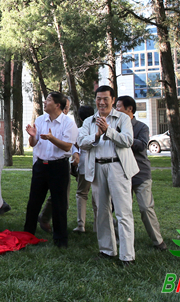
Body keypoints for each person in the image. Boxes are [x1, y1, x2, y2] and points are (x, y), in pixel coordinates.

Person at [78, 85, 138, 266]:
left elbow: (128, 141)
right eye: (98, 99)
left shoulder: (122, 119)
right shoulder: (89, 121)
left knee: (123, 212)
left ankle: (127, 256)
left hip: (117, 167)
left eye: (105, 99)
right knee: (102, 211)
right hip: (97, 167)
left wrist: (109, 131)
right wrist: (96, 135)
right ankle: (107, 250)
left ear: (113, 100)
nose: (102, 102)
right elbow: (81, 142)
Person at [23, 92, 78, 248]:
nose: (44, 102)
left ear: (57, 105)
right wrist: (32, 136)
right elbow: (33, 143)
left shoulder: (68, 123)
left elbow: (67, 146)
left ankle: (60, 240)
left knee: (59, 204)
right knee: (34, 202)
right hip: (41, 166)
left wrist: (51, 138)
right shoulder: (40, 120)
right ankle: (27, 235)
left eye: (48, 100)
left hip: (59, 167)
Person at [115, 95, 167, 250]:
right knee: (121, 210)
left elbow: (142, 145)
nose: (116, 110)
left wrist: (123, 138)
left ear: (129, 109)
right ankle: (120, 240)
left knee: (145, 208)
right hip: (121, 174)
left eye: (119, 107)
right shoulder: (114, 127)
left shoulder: (141, 127)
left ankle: (158, 241)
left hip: (140, 173)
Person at [37, 97, 77, 232]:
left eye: (67, 108)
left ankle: (56, 228)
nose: (65, 111)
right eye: (64, 108)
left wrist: (75, 153)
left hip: (61, 164)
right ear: (58, 106)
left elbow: (70, 143)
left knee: (61, 197)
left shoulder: (68, 123)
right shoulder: (43, 120)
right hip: (44, 164)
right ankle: (44, 219)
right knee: (49, 197)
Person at [73, 105, 97, 233]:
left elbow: (75, 147)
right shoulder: (98, 129)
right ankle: (97, 225)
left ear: (80, 118)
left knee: (82, 194)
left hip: (84, 165)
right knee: (98, 195)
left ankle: (81, 224)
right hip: (97, 164)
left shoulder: (79, 131)